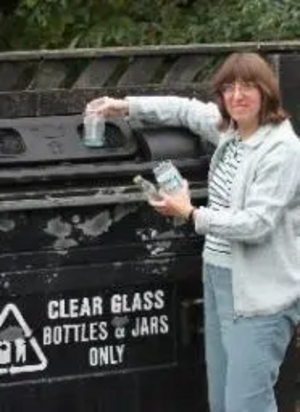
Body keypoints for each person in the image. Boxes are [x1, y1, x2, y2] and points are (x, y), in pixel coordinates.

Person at [85, 52, 300, 412]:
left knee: (246, 405)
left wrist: (190, 213)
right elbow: (184, 110)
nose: (237, 96)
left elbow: (256, 224)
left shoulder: (282, 150)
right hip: (218, 278)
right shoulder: (232, 132)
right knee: (221, 399)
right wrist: (125, 106)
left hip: (260, 294)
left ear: (267, 93)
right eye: (229, 88)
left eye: (248, 87)